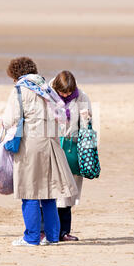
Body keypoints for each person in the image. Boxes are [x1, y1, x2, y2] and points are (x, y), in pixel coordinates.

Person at [1, 57, 78, 246]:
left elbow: (10, 118)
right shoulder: (46, 86)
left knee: (29, 192)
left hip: (31, 145)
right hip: (51, 143)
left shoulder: (20, 88)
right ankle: (52, 237)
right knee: (49, 194)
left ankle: (32, 237)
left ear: (16, 74)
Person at [50, 70, 92, 241]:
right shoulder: (48, 94)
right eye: (63, 92)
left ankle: (64, 232)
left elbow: (88, 125)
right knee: (51, 192)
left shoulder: (82, 97)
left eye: (69, 92)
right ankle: (49, 232)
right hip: (52, 145)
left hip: (72, 147)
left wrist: (86, 119)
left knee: (68, 193)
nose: (66, 95)